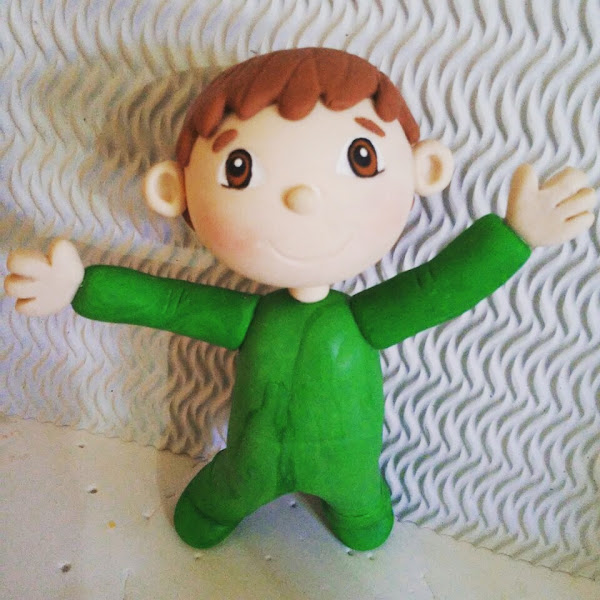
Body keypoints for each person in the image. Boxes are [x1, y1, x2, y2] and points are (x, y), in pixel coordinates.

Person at [4, 48, 596, 551]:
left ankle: (357, 508)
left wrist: (515, 238)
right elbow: (169, 304)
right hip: (248, 463)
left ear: (427, 168)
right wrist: (79, 287)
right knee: (207, 513)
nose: (304, 198)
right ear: (174, 191)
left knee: (367, 524)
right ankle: (234, 505)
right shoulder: (259, 317)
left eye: (361, 158)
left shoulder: (356, 320)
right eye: (240, 168)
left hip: (351, 467)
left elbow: (437, 287)